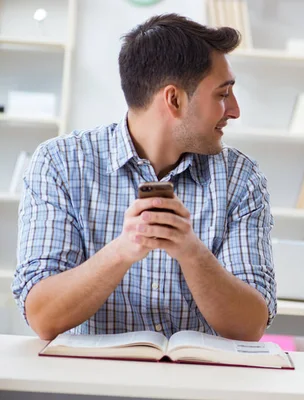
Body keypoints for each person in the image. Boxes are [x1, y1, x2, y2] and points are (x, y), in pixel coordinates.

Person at [12, 14, 276, 342]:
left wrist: (191, 252)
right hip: (89, 389)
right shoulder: (61, 164)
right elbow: (42, 318)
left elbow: (251, 327)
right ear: (174, 99)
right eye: (222, 95)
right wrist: (124, 249)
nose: (234, 110)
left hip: (198, 390)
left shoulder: (241, 178)